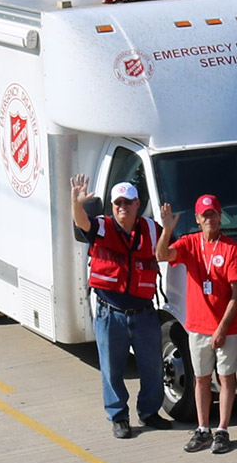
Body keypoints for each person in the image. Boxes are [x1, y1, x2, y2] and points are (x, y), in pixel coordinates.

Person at [70, 176, 169, 439]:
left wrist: (169, 229)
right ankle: (119, 417)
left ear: (138, 204)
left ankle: (149, 412)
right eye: (118, 202)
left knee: (152, 367)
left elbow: (168, 250)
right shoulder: (101, 227)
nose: (122, 206)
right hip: (109, 312)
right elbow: (82, 222)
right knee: (112, 369)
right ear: (112, 206)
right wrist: (76, 203)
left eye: (128, 202)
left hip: (144, 312)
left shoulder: (151, 229)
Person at [156, 194, 237, 454]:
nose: (210, 219)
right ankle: (203, 429)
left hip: (227, 329)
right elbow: (162, 255)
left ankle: (222, 430)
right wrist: (167, 230)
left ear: (220, 216)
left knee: (226, 379)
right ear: (197, 220)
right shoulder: (190, 243)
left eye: (213, 214)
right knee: (200, 379)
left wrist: (221, 328)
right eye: (204, 215)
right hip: (197, 326)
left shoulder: (231, 249)